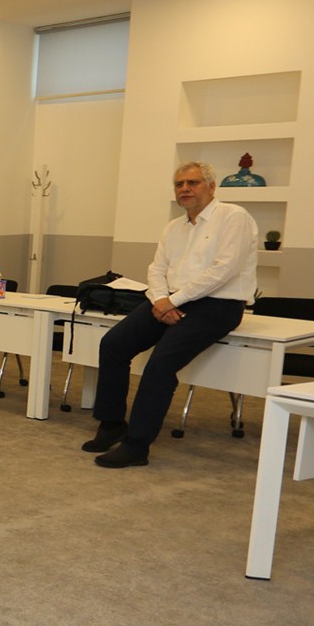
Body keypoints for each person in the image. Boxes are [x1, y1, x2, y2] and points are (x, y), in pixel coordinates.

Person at [85, 161, 257, 469]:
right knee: (113, 344)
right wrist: (161, 299)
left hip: (219, 305)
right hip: (169, 300)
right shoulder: (173, 227)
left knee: (160, 364)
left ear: (211, 187)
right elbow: (157, 269)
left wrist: (173, 300)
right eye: (179, 184)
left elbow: (224, 270)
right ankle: (112, 424)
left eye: (193, 183)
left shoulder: (233, 217)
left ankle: (136, 446)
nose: (185, 189)